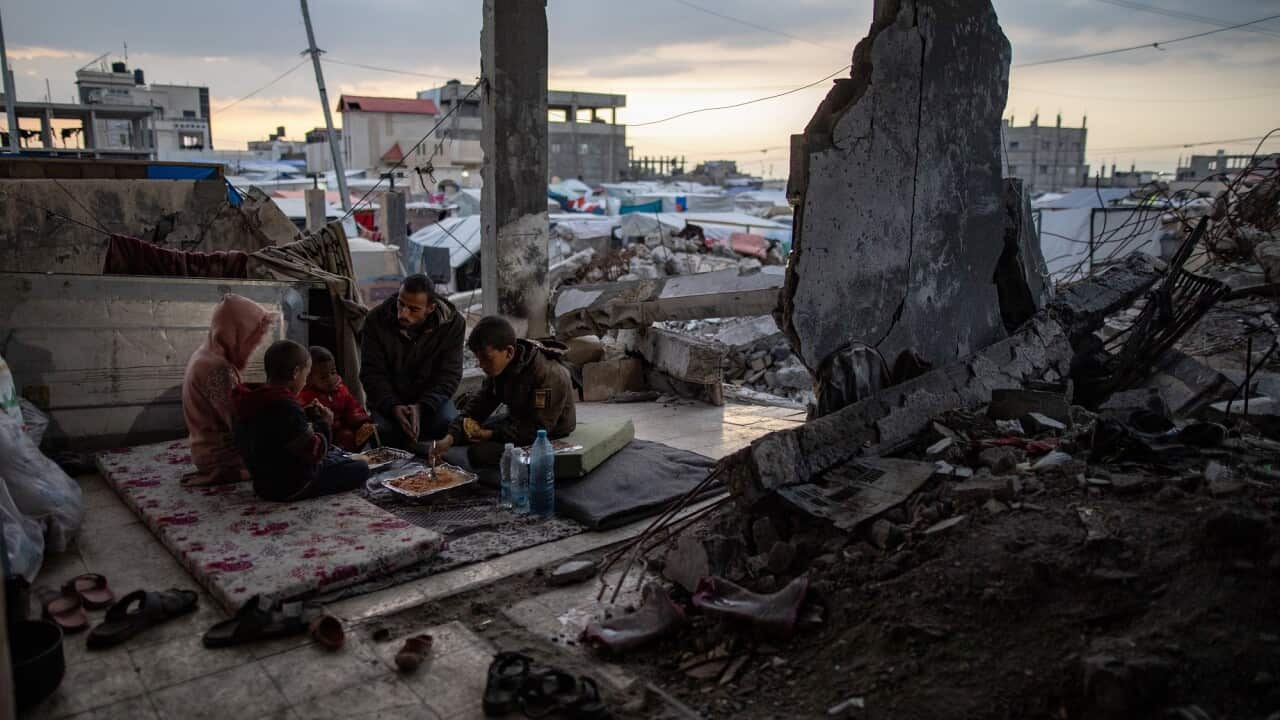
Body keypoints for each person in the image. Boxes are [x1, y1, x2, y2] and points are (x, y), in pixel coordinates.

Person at [233, 339, 369, 502]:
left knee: (338, 457)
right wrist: (324, 423)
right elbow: (314, 452)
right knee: (360, 468)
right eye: (306, 375)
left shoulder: (252, 400)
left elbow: (279, 433)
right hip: (292, 486)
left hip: (262, 484)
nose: (305, 382)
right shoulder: (285, 406)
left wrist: (306, 415)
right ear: (296, 373)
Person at [432, 316, 576, 468]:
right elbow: (478, 406)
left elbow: (537, 429)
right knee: (459, 430)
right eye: (478, 359)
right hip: (517, 420)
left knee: (480, 453)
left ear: (509, 352)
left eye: (486, 359)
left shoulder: (548, 375)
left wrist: (490, 434)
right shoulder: (500, 367)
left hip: (548, 431)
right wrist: (449, 438)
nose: (481, 365)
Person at [360, 274, 464, 450]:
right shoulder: (375, 320)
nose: (403, 313)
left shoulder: (453, 324)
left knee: (448, 426)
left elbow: (449, 375)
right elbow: (372, 373)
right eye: (401, 304)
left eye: (413, 309)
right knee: (383, 433)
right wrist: (393, 406)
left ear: (430, 308)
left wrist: (422, 407)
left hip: (431, 400)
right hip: (390, 400)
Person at [181, 294, 273, 486]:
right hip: (221, 458)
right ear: (237, 332)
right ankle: (233, 473)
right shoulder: (218, 368)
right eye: (252, 338)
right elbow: (240, 423)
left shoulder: (205, 354)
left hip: (203, 449)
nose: (255, 345)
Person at [297, 346, 376, 452]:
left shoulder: (341, 389)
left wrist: (363, 423)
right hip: (324, 434)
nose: (330, 379)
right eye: (323, 377)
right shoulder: (306, 396)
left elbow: (353, 407)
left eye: (333, 372)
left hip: (342, 432)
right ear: (309, 378)